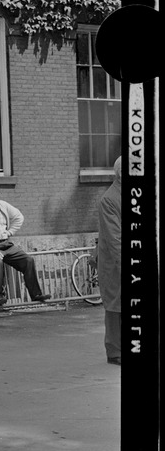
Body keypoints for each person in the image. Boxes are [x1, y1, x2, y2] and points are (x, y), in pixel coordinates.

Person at [0, 182, 51, 307]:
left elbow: (19, 217)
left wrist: (10, 232)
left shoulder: (4, 206)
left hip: (5, 244)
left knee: (28, 260)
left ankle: (36, 294)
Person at [96, 156, 121, 365]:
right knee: (115, 305)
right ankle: (114, 351)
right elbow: (115, 239)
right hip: (114, 263)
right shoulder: (110, 199)